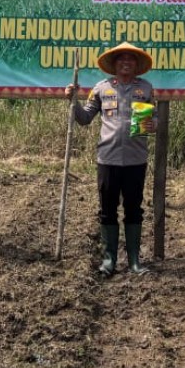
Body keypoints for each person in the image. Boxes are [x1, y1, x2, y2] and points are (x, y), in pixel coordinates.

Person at [65, 42, 156, 276]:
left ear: (136, 65)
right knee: (107, 209)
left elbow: (152, 121)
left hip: (136, 159)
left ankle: (135, 262)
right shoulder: (101, 88)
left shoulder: (145, 88)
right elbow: (84, 118)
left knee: (134, 209)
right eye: (121, 59)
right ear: (114, 64)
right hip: (107, 159)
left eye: (131, 59)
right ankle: (109, 261)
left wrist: (152, 124)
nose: (126, 62)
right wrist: (72, 100)